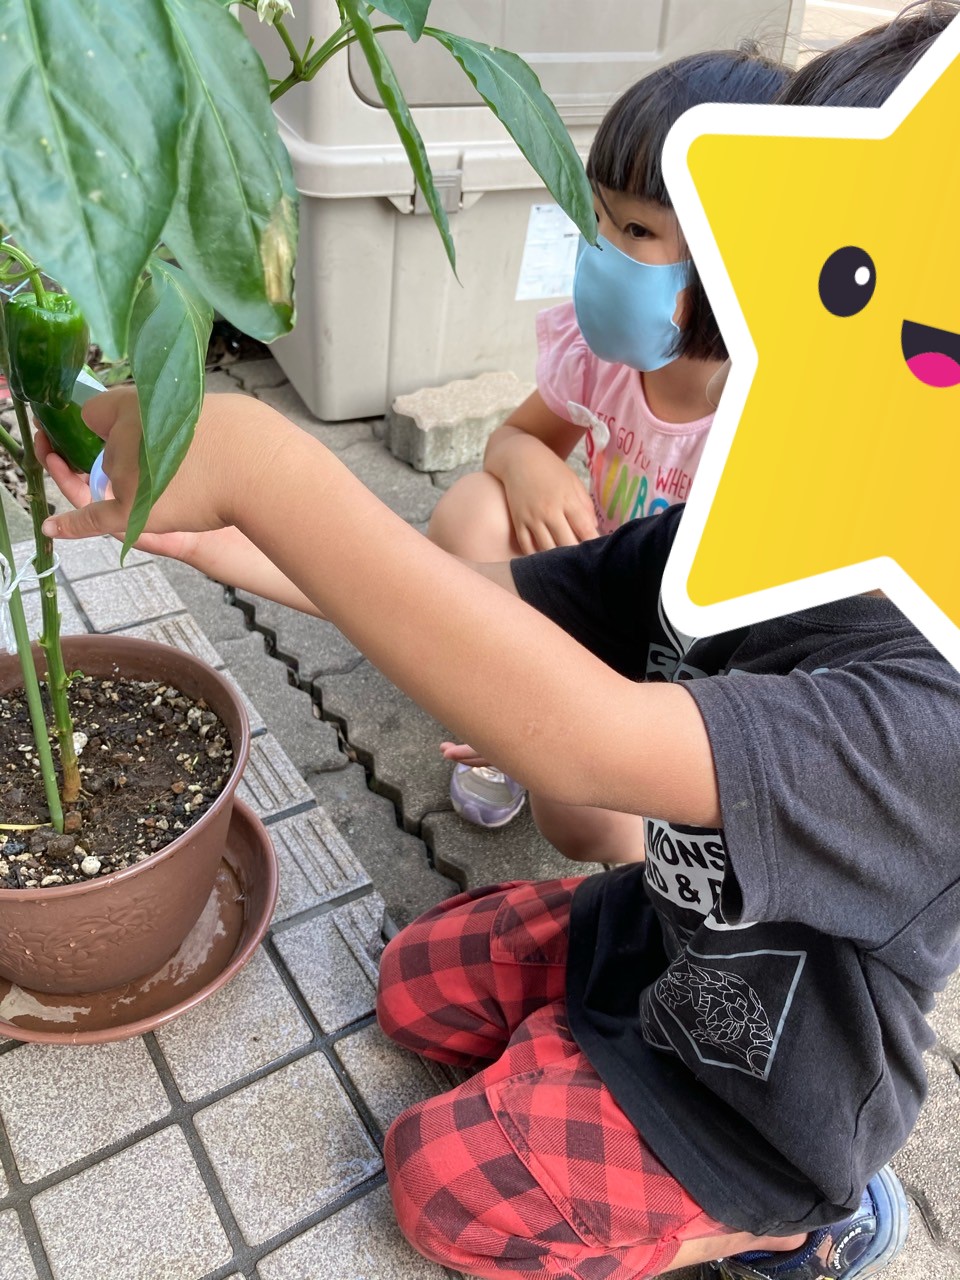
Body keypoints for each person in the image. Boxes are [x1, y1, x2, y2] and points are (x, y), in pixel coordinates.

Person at [37, 6, 960, 1277]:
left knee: (439, 1182)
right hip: (662, 934)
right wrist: (219, 538)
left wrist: (263, 467)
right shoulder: (749, 551)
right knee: (414, 981)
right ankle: (587, 1050)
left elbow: (588, 740)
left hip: (770, 1095)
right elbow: (464, 594)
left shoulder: (930, 699)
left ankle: (802, 1220)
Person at [427, 48, 788, 841]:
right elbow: (516, 438)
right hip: (585, 593)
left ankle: (642, 861)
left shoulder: (767, 415)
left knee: (584, 822)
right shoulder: (607, 359)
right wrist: (527, 466)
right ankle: (502, 720)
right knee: (472, 510)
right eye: (596, 216)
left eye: (636, 229)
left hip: (674, 661)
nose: (602, 248)